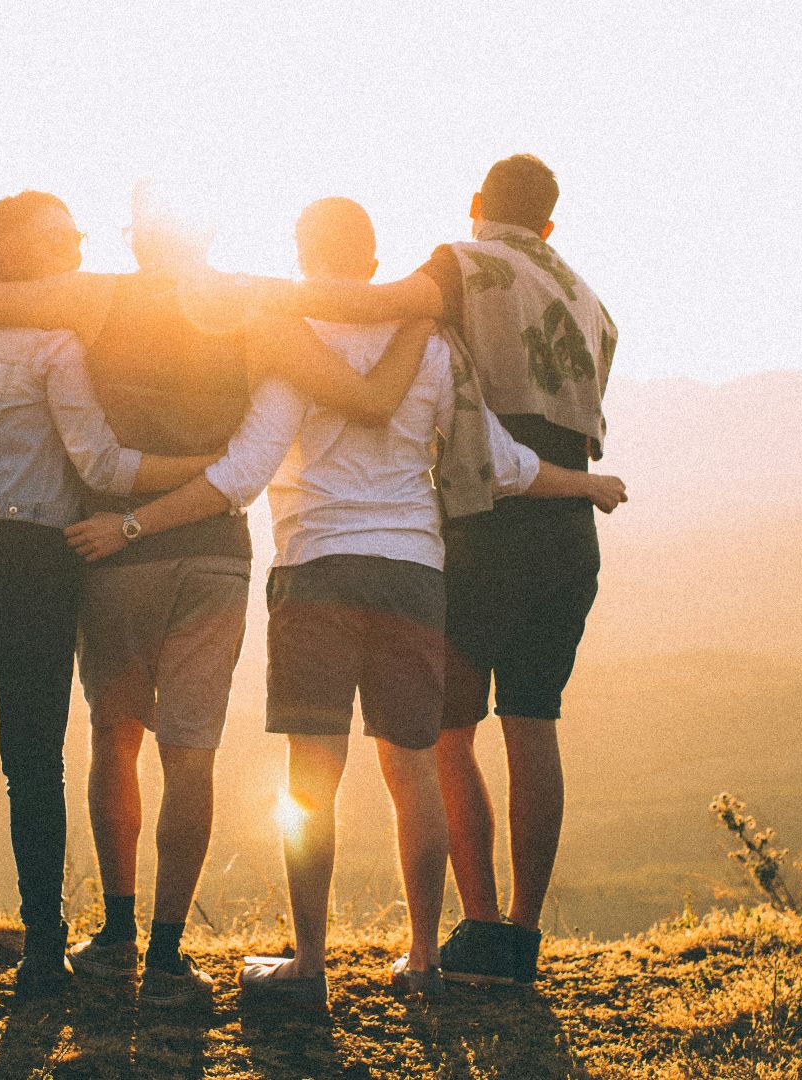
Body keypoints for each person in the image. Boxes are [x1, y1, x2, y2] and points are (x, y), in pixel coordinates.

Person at [64, 197, 625, 1007]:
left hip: (316, 570)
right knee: (413, 771)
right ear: (372, 262)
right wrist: (588, 484)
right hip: (414, 576)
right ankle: (425, 960)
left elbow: (243, 474)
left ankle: (310, 966)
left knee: (311, 779)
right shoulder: (432, 347)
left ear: (302, 254)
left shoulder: (293, 343)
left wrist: (133, 522)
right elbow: (502, 463)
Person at [0, 184, 425, 1008]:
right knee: (190, 753)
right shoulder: (256, 306)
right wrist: (421, 315)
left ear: (137, 240)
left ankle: (116, 932)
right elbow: (358, 390)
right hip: (214, 556)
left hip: (113, 550)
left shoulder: (96, 299)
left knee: (114, 736)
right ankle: (167, 956)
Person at [267, 156, 622, 986]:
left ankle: (479, 928)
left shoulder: (461, 265)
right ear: (550, 223)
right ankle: (522, 940)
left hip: (482, 522)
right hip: (565, 525)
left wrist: (253, 298)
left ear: (475, 207)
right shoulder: (590, 300)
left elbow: (375, 305)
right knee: (534, 723)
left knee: (446, 736)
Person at [0, 191, 221, 1000]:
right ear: (30, 255)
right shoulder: (54, 346)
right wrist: (205, 470)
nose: (78, 250)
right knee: (32, 764)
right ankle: (44, 951)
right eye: (65, 240)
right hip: (30, 565)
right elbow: (104, 468)